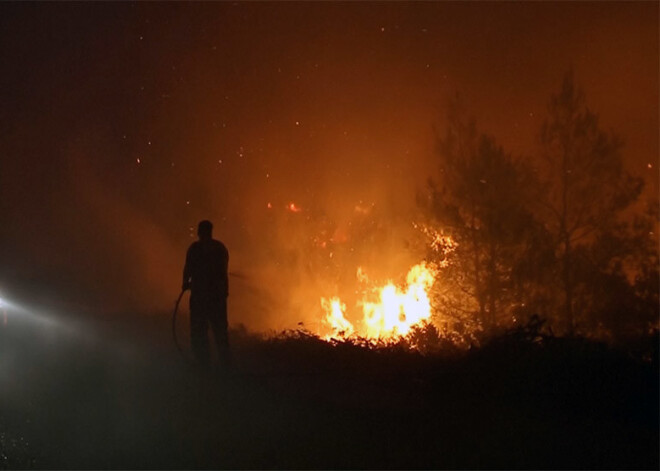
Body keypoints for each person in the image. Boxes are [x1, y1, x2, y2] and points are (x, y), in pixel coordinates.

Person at [182, 220, 230, 368]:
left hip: (200, 298)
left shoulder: (195, 249)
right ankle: (226, 364)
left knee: (199, 332)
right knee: (220, 331)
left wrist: (185, 283)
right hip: (217, 298)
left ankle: (204, 363)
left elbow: (187, 269)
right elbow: (223, 271)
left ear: (199, 232)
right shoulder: (220, 248)